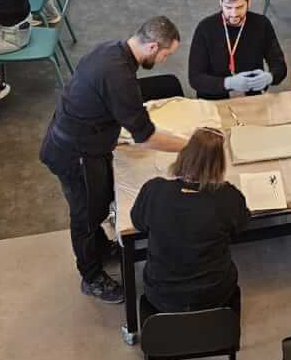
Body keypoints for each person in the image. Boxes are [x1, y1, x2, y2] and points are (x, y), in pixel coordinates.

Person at [39, 17, 191, 304]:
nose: (163, 60)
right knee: (84, 215)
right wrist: (189, 145)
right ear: (152, 46)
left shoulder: (110, 50)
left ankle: (99, 248)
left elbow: (105, 105)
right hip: (75, 153)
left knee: (99, 202)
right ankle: (91, 276)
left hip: (82, 142)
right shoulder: (120, 76)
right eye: (165, 55)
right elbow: (145, 136)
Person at [130, 128, 251, 314]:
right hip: (215, 294)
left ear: (184, 156)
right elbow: (242, 226)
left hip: (161, 293)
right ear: (219, 164)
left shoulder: (154, 191)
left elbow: (138, 224)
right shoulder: (228, 196)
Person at [188, 0, 287, 101]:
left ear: (248, 2)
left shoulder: (262, 25)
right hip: (215, 100)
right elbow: (195, 78)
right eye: (228, 8)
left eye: (239, 7)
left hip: (251, 98)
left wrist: (270, 77)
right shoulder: (205, 28)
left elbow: (279, 66)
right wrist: (228, 83)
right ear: (220, 3)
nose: (234, 14)